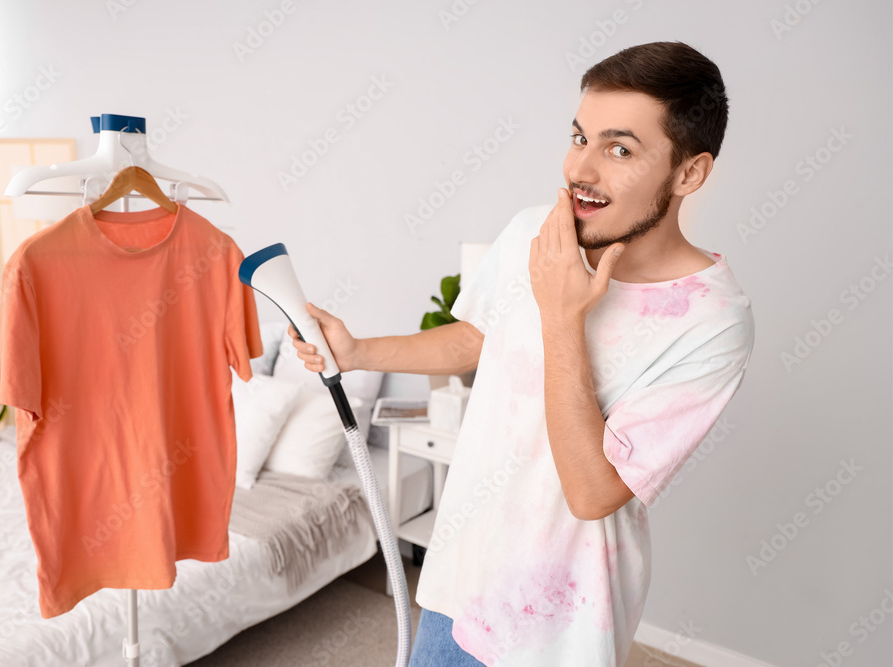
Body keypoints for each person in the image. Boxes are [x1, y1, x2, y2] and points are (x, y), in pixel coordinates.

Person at [287, 41, 754, 667]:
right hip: (463, 574)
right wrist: (358, 350)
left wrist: (563, 314)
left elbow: (594, 493)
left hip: (560, 626)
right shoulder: (537, 232)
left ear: (689, 174)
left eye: (619, 149)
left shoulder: (713, 320)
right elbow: (476, 339)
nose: (581, 170)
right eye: (579, 137)